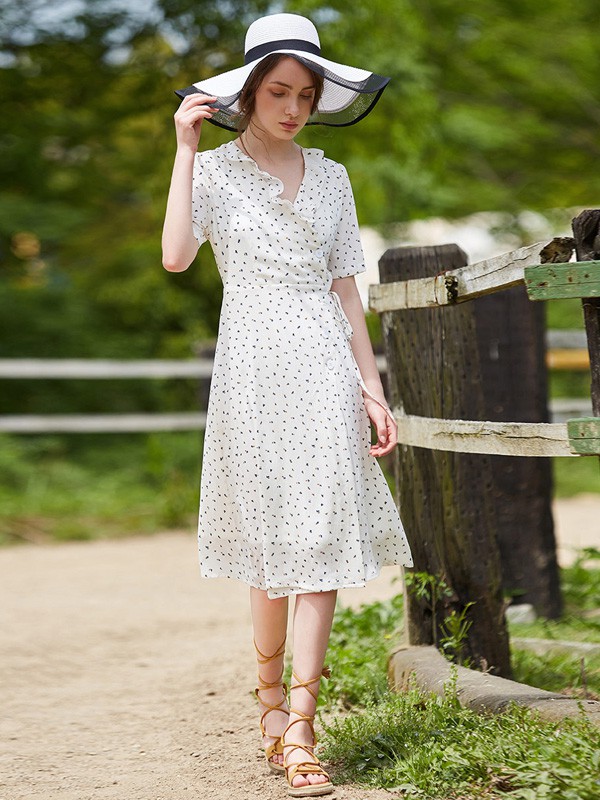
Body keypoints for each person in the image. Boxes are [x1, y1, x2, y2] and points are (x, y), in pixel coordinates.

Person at [161, 13, 413, 797]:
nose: (294, 107)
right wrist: (183, 151)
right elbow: (175, 257)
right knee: (271, 551)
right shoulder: (213, 171)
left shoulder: (333, 177)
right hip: (252, 368)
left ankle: (302, 728)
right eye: (278, 92)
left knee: (323, 542)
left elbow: (346, 288)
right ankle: (269, 706)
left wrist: (372, 388)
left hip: (325, 365)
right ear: (248, 93)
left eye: (306, 94)